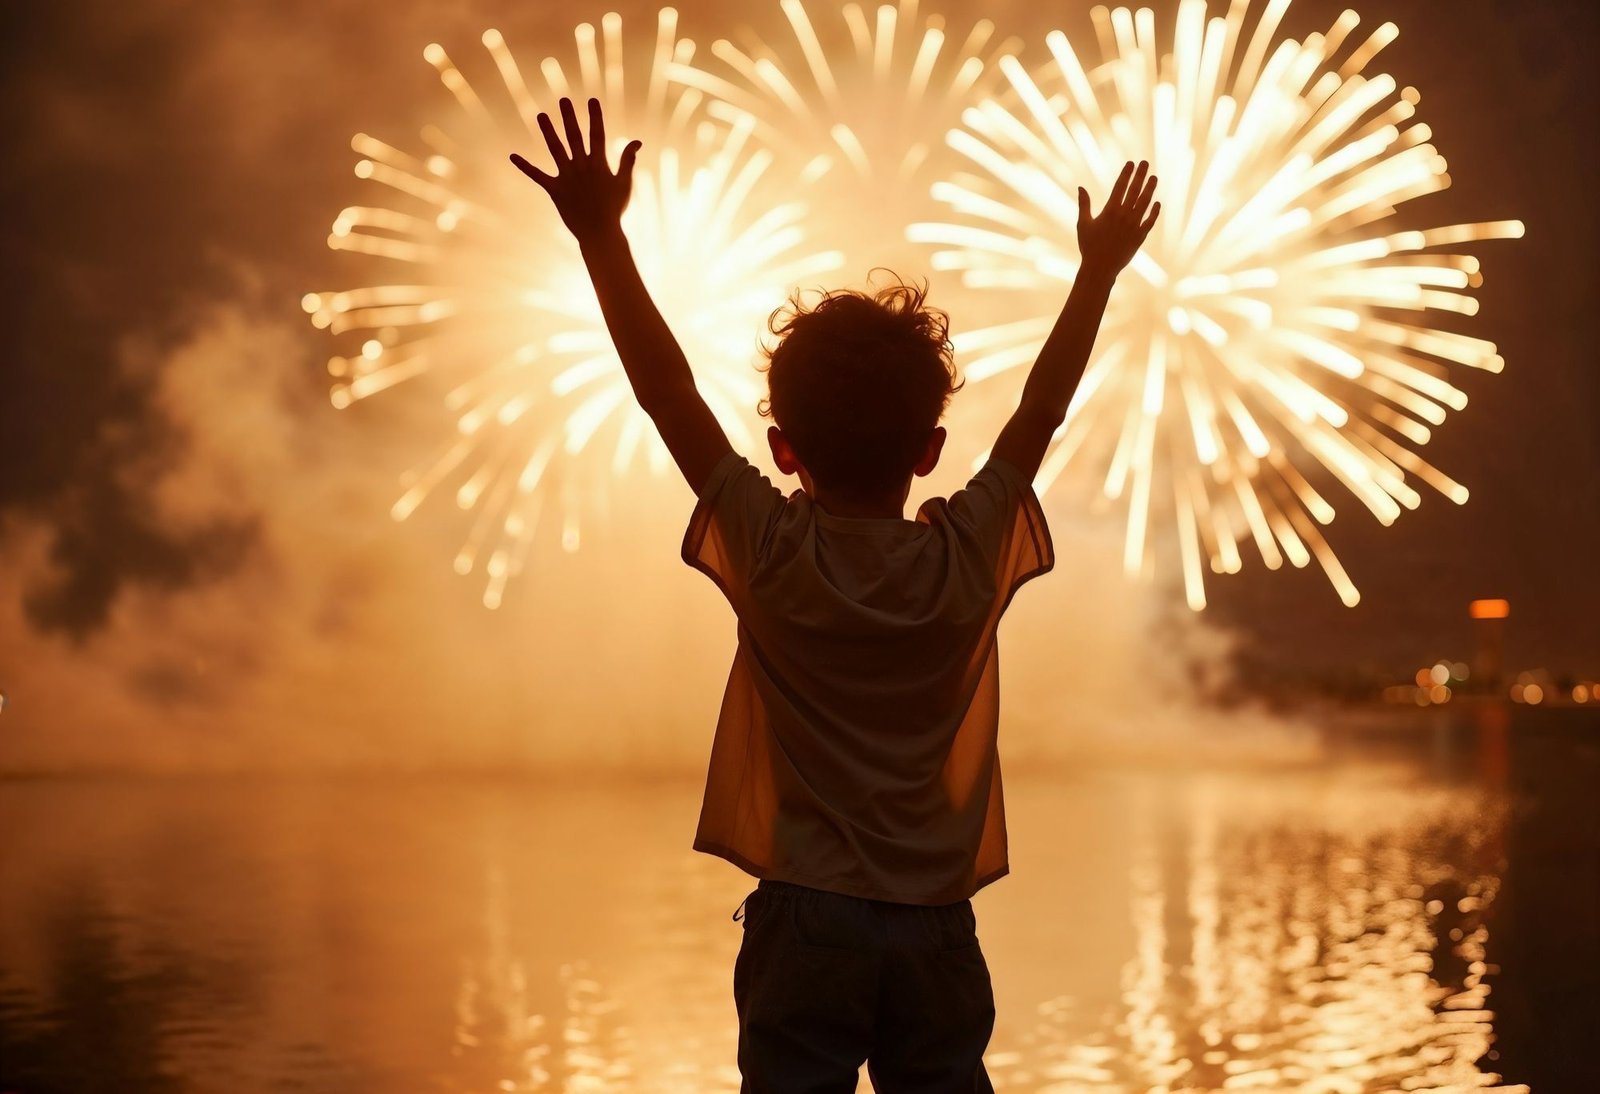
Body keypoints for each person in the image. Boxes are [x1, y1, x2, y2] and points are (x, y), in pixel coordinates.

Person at [512, 97, 1158, 1094]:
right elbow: (1041, 408)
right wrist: (1097, 271)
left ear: (782, 447)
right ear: (929, 449)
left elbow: (666, 393)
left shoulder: (770, 549)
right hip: (935, 920)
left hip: (805, 914)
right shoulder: (964, 554)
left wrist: (600, 237)